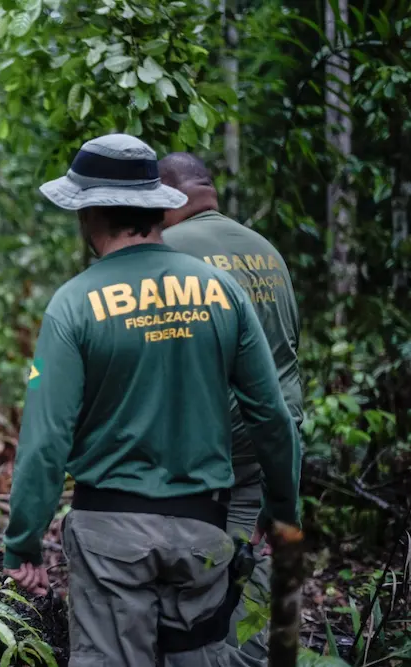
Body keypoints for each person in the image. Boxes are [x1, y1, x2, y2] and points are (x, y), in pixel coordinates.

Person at [2, 133, 301, 666]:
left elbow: (47, 440)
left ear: (89, 213)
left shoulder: (73, 305)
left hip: (108, 539)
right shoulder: (221, 292)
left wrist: (23, 544)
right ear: (155, 209)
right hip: (204, 531)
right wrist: (282, 509)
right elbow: (272, 416)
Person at [159, 152, 304, 663]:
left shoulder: (165, 252)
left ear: (167, 196)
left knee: (186, 607)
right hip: (270, 449)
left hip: (204, 456)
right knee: (250, 593)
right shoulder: (267, 251)